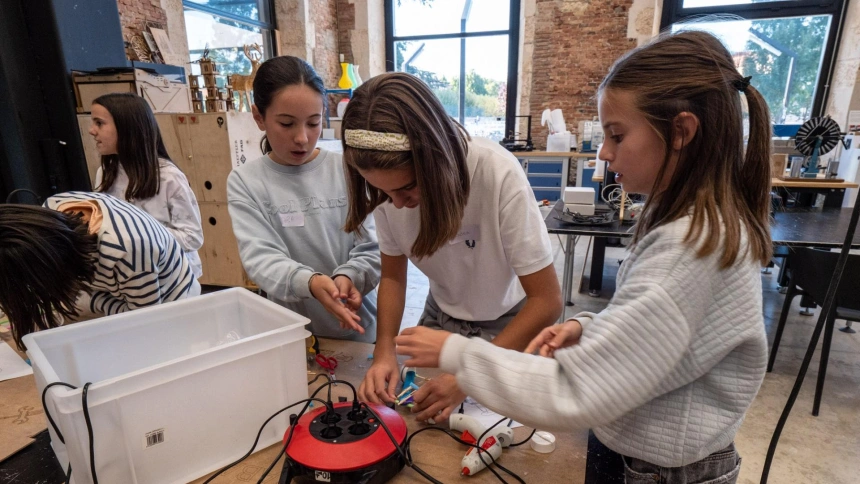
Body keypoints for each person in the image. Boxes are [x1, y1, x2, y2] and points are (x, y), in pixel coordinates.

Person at [394, 30, 772, 484]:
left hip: (663, 470)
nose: (604, 152)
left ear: (681, 132)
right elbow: (664, 331)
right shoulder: (691, 226)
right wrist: (589, 327)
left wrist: (459, 354)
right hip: (644, 449)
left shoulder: (689, 249)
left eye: (617, 134)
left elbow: (576, 392)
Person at [343, 72, 562, 422]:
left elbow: (547, 301)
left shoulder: (496, 173)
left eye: (407, 189)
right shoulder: (388, 190)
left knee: (496, 427)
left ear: (437, 161)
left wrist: (472, 376)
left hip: (511, 323)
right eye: (383, 192)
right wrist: (384, 348)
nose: (395, 204)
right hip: (441, 318)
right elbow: (394, 278)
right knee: (419, 423)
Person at [227, 56, 380, 342]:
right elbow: (260, 258)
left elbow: (374, 246)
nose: (302, 138)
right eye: (287, 124)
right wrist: (309, 282)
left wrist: (350, 276)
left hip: (359, 324)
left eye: (313, 122)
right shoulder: (246, 181)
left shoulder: (349, 169)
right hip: (292, 332)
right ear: (259, 117)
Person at [0, 192, 200, 350]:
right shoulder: (52, 211)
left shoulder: (128, 250)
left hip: (168, 304)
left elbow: (144, 322)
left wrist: (91, 302)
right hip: (113, 290)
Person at [90, 92, 204, 278]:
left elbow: (192, 237)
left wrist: (138, 235)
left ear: (126, 127)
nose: (92, 130)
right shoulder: (105, 173)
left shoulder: (168, 177)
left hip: (173, 279)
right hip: (129, 277)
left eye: (99, 123)